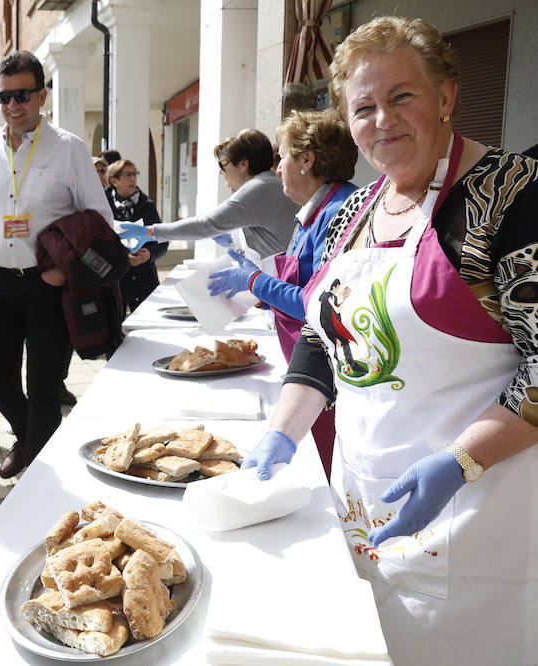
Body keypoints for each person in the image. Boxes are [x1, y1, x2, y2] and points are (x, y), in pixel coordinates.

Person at [242, 17, 538, 665]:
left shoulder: (509, 195)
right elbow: (325, 338)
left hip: (479, 509)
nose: (383, 121)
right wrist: (284, 432)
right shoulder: (355, 210)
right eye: (364, 107)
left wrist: (459, 461)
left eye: (402, 97)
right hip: (359, 496)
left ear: (447, 96)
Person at [0, 50, 112, 478]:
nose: (12, 106)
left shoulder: (69, 149)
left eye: (22, 95)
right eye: (4, 97)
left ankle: (38, 483)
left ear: (42, 95)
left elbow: (100, 221)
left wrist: (64, 272)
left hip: (50, 284)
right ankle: (34, 440)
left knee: (43, 389)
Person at [206, 109, 358, 478]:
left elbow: (316, 305)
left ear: (307, 160)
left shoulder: (339, 213)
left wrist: (255, 282)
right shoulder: (315, 211)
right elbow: (298, 283)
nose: (277, 169)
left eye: (283, 157)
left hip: (326, 381)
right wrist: (256, 290)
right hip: (307, 372)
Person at [119, 129, 299, 260]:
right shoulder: (266, 184)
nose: (222, 172)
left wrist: (149, 231)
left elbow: (206, 224)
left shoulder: (259, 188)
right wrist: (231, 241)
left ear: (244, 164)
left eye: (224, 165)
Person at [105, 158, 168, 314]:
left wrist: (150, 254)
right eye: (127, 174)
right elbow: (99, 244)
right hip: (115, 280)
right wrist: (124, 257)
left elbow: (162, 242)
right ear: (114, 180)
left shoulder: (148, 205)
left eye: (135, 174)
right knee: (116, 331)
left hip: (145, 279)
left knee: (147, 328)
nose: (133, 178)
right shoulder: (103, 206)